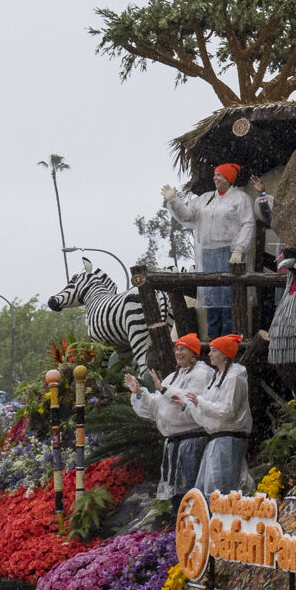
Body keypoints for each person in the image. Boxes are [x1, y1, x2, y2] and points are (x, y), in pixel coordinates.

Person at [164, 165, 258, 339]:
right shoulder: (205, 199)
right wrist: (174, 201)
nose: (216, 178)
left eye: (220, 175)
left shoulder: (240, 198)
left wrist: (238, 249)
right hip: (208, 255)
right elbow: (187, 216)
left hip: (229, 253)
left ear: (229, 178)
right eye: (215, 174)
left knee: (230, 297)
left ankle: (230, 338)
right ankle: (214, 339)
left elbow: (248, 224)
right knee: (212, 297)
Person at [123, 333, 215, 495]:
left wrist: (164, 390)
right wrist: (139, 393)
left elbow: (190, 401)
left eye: (183, 349)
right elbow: (155, 405)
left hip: (193, 439)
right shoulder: (172, 377)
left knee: (193, 490)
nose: (178, 353)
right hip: (174, 442)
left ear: (194, 353)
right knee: (176, 493)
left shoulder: (202, 373)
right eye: (177, 349)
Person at [176, 333, 251, 496]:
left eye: (214, 351)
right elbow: (206, 412)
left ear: (225, 354)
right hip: (217, 439)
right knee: (210, 489)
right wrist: (188, 407)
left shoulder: (235, 376)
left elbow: (227, 411)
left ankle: (225, 520)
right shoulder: (216, 376)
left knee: (221, 490)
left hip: (229, 437)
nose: (209, 354)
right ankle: (214, 520)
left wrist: (200, 402)